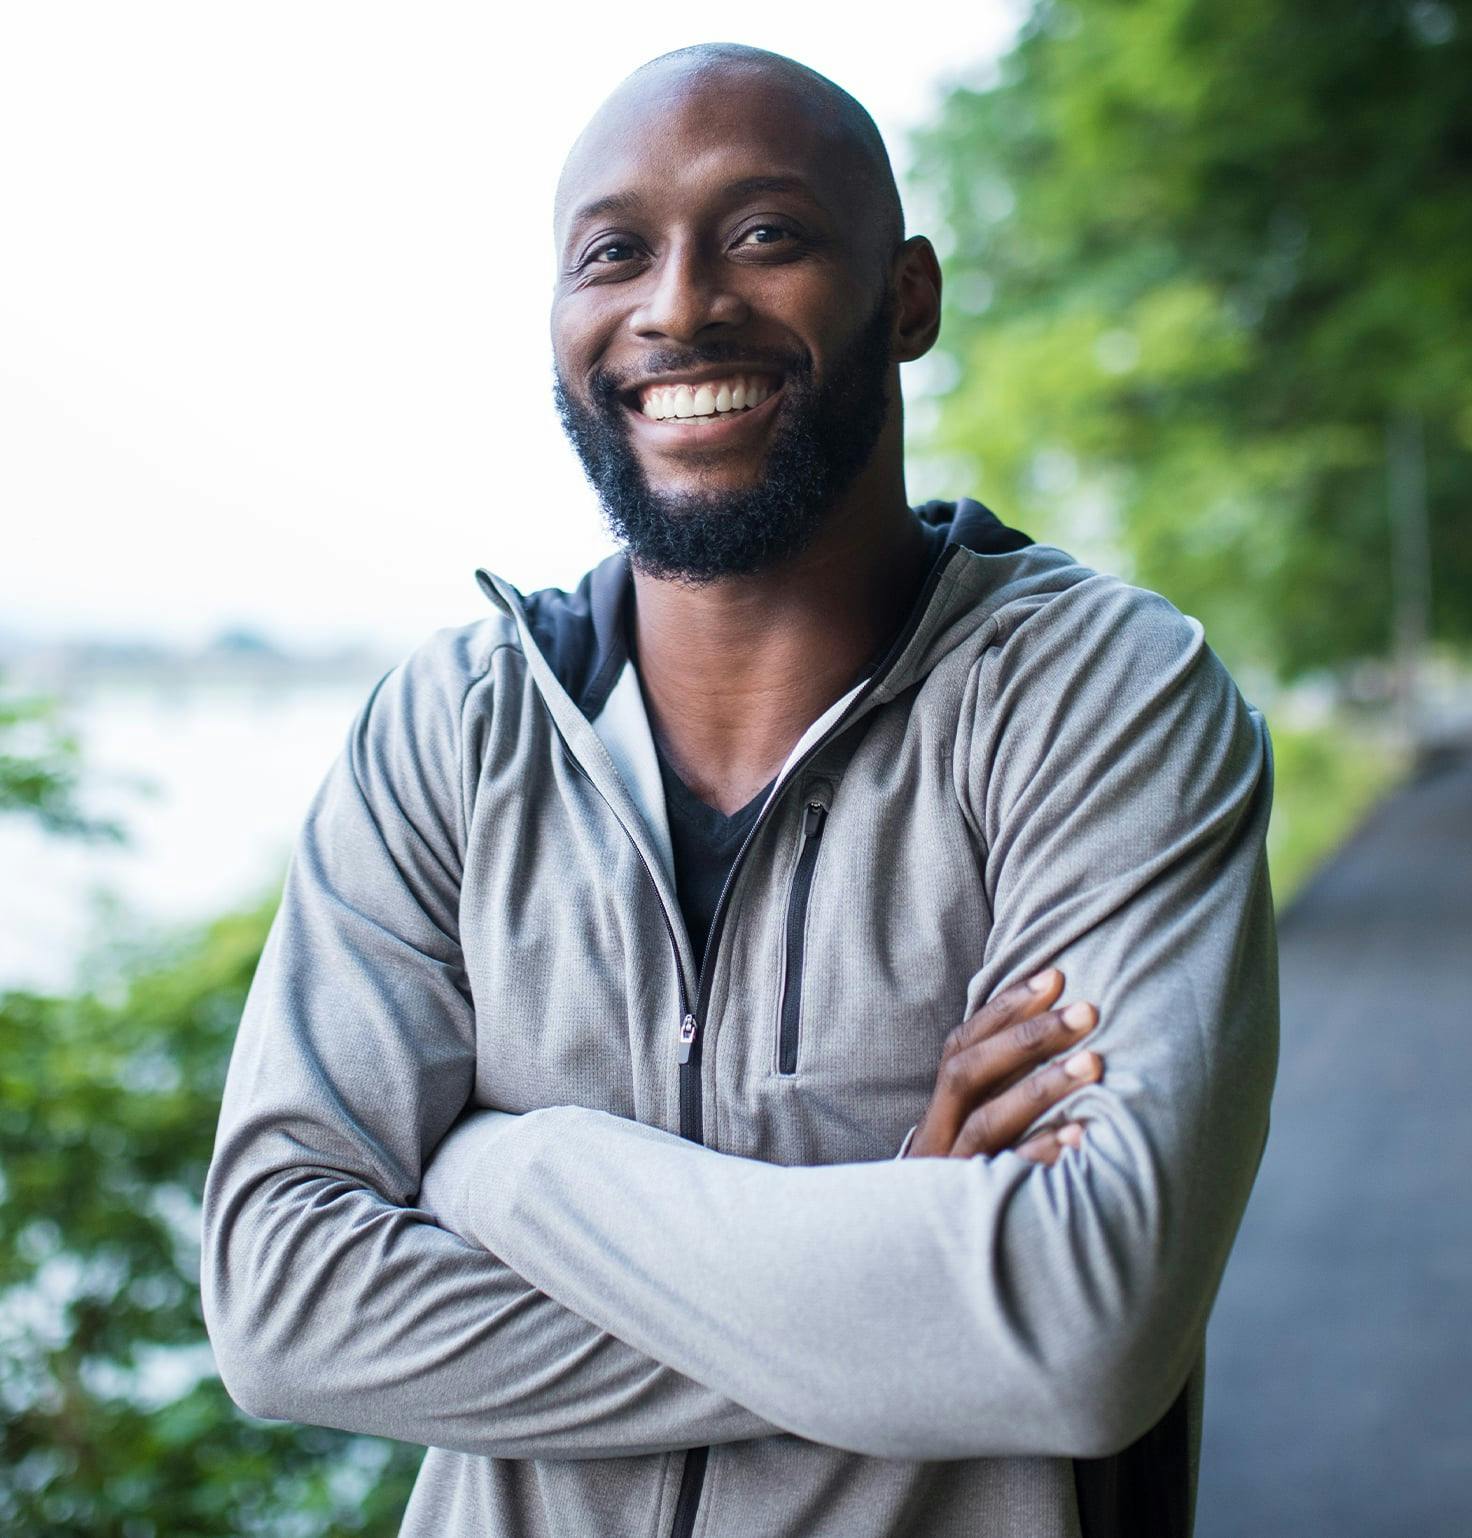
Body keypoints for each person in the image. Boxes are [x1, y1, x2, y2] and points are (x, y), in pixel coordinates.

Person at [200, 41, 1278, 1538]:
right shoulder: (453, 728)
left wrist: (511, 1169)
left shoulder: (1104, 695)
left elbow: (1079, 1331)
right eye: (614, 254)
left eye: (764, 234)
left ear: (908, 298)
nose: (678, 303)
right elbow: (279, 1296)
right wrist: (897, 1277)